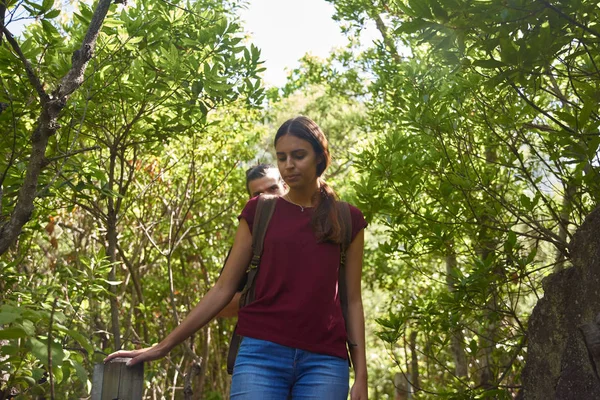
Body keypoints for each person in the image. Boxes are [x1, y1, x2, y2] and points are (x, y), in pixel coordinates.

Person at [105, 116, 369, 399]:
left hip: (325, 361)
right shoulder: (259, 211)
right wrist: (163, 346)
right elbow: (222, 288)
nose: (289, 165)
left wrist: (361, 376)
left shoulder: (347, 218)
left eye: (299, 155)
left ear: (320, 156)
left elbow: (352, 301)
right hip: (260, 356)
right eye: (282, 157)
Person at [217, 163, 287, 318]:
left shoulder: (321, 226)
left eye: (273, 189)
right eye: (258, 195)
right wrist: (268, 295)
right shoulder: (250, 243)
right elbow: (221, 305)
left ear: (285, 187)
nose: (267, 197)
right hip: (264, 337)